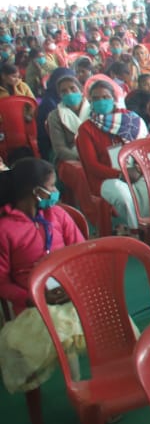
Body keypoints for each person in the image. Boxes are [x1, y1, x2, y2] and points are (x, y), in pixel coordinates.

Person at [0, 158, 87, 394]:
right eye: (51, 186)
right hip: (32, 307)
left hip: (69, 292)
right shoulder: (5, 229)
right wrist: (34, 298)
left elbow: (82, 254)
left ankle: (118, 372)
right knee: (61, 328)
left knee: (110, 312)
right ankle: (78, 389)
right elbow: (2, 282)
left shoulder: (58, 215)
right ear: (35, 191)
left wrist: (72, 286)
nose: (56, 191)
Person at [75, 78, 150, 230]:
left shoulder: (131, 119)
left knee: (148, 189)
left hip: (135, 171)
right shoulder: (86, 129)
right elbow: (92, 165)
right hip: (106, 178)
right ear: (90, 102)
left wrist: (138, 169)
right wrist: (121, 175)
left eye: (105, 97)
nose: (101, 101)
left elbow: (146, 147)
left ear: (114, 99)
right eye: (96, 98)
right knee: (124, 196)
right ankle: (137, 229)